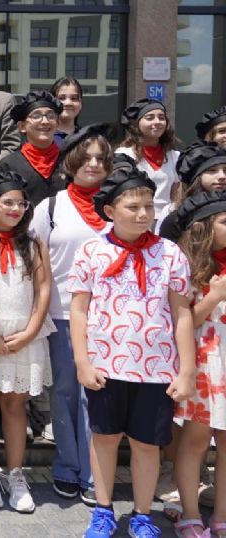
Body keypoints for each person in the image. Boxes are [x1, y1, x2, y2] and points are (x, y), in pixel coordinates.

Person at [70, 166, 195, 538]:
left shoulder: (170, 253)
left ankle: (142, 514)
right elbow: (79, 309)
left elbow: (182, 313)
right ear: (110, 211)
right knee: (104, 438)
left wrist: (186, 370)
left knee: (146, 443)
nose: (143, 214)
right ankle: (102, 510)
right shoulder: (91, 250)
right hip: (105, 365)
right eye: (133, 207)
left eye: (148, 207)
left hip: (156, 369)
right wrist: (82, 360)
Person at [30, 123, 113, 507]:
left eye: (101, 158)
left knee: (98, 395)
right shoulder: (50, 208)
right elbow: (37, 265)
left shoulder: (118, 205)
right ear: (71, 163)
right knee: (64, 392)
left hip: (111, 317)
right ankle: (66, 466)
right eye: (86, 158)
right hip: (62, 313)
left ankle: (96, 473)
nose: (93, 164)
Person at [0, 173, 54, 514]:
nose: (16, 209)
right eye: (8, 203)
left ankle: (16, 473)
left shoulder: (33, 243)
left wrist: (33, 329)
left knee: (16, 404)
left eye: (21, 203)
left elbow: (44, 287)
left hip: (23, 331)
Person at [172, 191, 226, 538]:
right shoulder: (190, 267)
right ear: (204, 227)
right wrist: (214, 296)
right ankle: (190, 513)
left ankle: (221, 516)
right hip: (206, 363)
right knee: (196, 440)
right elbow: (184, 319)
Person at [0, 91, 67, 206]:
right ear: (22, 126)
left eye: (50, 116)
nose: (45, 121)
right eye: (36, 116)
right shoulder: (8, 165)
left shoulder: (70, 161)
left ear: (57, 124)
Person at [115, 97, 181, 216]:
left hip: (165, 219)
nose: (157, 122)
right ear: (136, 124)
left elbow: (176, 195)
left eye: (161, 118)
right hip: (137, 217)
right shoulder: (124, 155)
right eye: (150, 118)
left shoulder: (175, 156)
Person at [159, 142, 226, 241]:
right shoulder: (175, 217)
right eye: (212, 170)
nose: (222, 176)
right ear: (196, 177)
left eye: (225, 170)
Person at [51, 77, 84, 146]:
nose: (68, 103)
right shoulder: (44, 138)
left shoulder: (88, 138)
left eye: (74, 98)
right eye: (61, 98)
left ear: (80, 104)